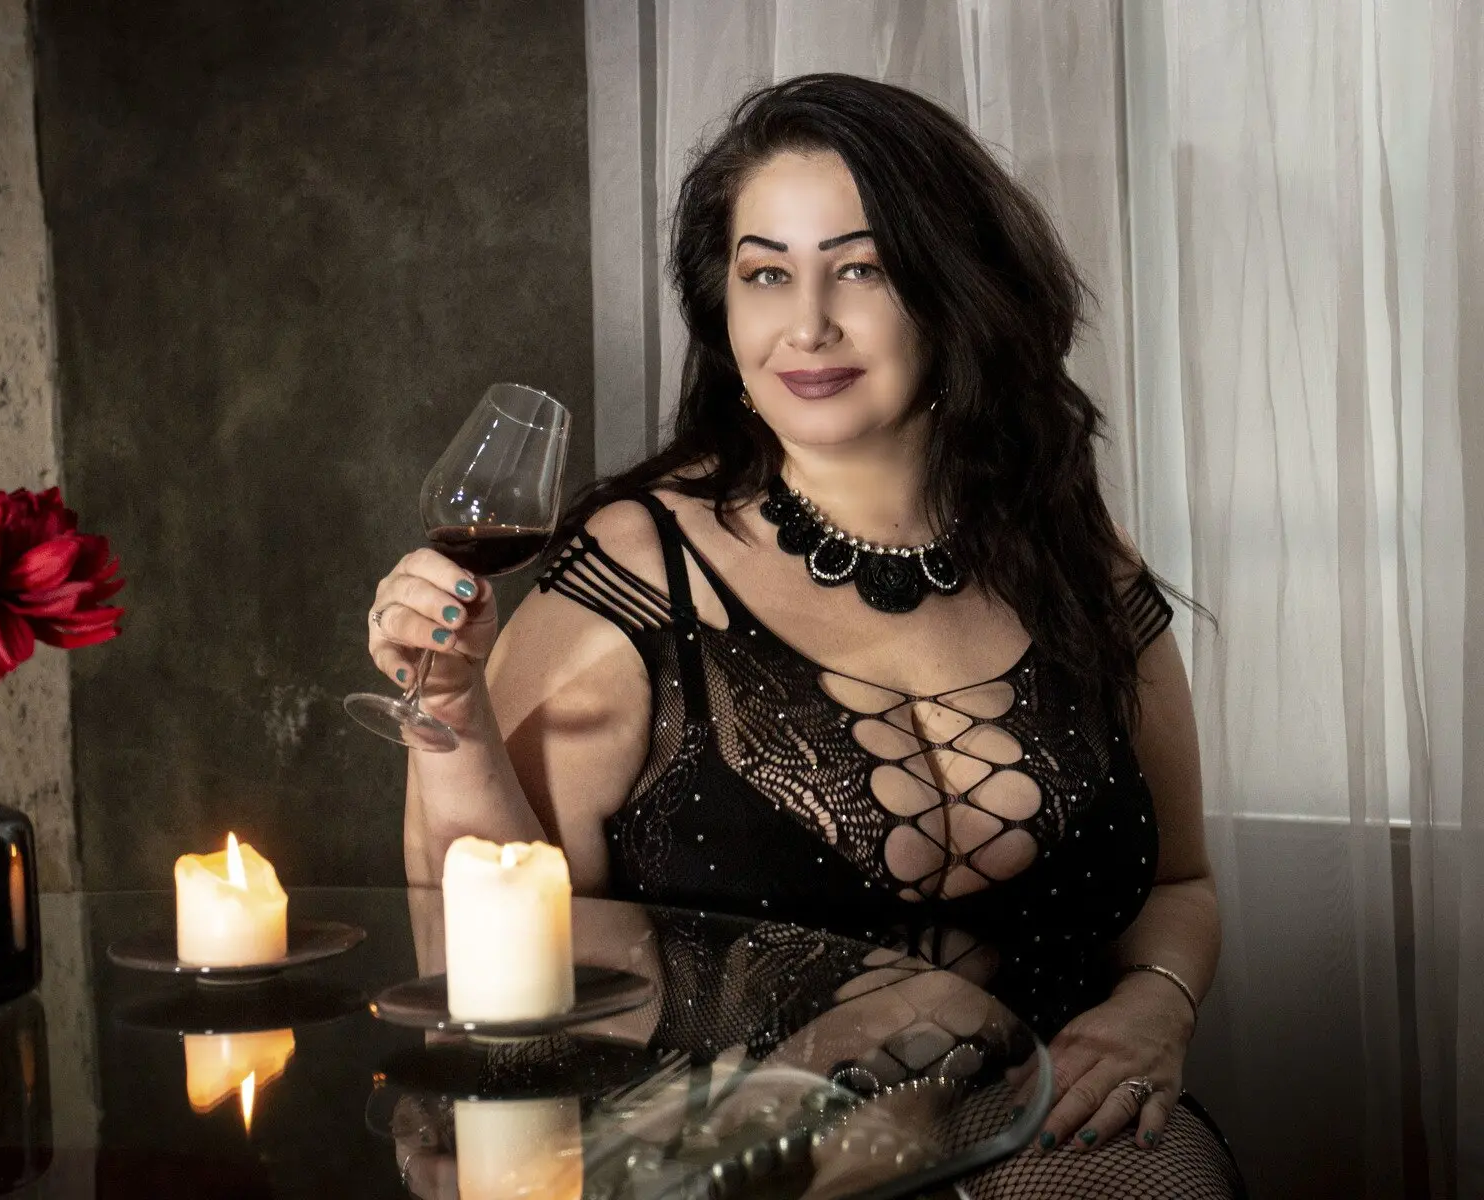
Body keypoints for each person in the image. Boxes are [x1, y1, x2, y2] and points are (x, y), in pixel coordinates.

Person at [366, 73, 1243, 1197]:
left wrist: (1153, 1009)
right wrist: (447, 706)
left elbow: (1180, 881)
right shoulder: (636, 574)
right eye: (766, 273)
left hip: (1050, 1130)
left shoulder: (1076, 555)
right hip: (745, 1148)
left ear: (954, 290)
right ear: (722, 308)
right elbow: (486, 947)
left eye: (860, 269)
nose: (807, 323)